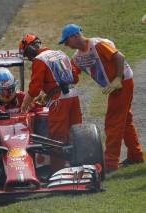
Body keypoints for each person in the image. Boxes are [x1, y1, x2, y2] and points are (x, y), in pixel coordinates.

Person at [59, 23, 144, 172]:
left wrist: (118, 79)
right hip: (114, 86)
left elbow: (119, 57)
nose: (66, 44)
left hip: (123, 82)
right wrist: (52, 88)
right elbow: (72, 75)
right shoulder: (77, 57)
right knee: (124, 119)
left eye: (66, 41)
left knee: (113, 122)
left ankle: (110, 163)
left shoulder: (98, 44)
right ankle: (135, 155)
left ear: (75, 36)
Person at [19, 34, 82, 172]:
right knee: (77, 133)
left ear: (29, 49)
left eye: (27, 54)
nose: (29, 58)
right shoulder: (61, 54)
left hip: (59, 100)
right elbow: (75, 78)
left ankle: (58, 171)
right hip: (74, 96)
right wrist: (48, 93)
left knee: (56, 137)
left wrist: (24, 105)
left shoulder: (39, 60)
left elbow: (34, 88)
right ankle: (79, 167)